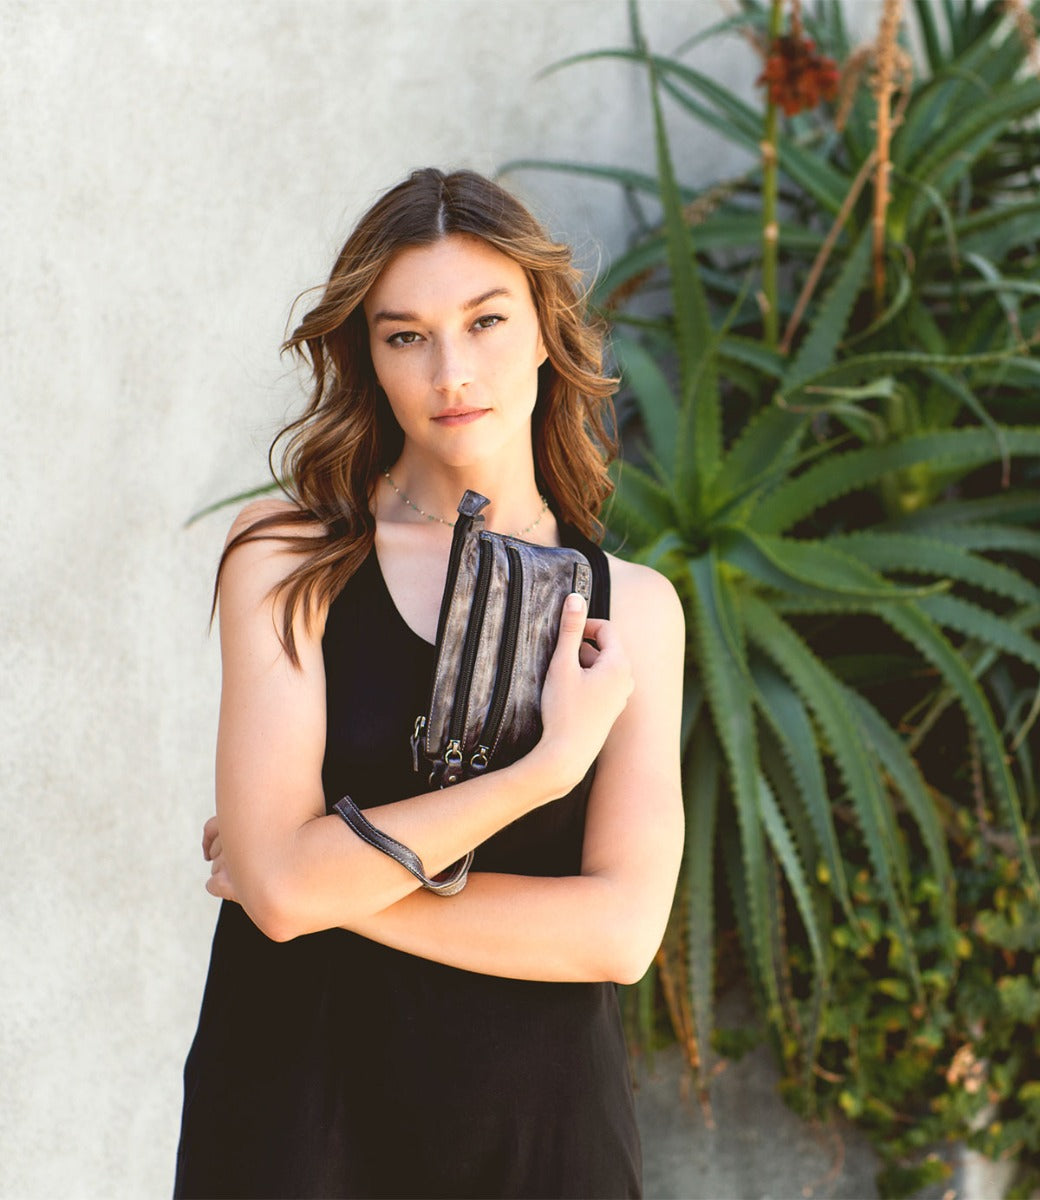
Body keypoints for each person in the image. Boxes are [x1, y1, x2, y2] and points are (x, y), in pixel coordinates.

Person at [174, 167, 685, 1200]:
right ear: (367, 356)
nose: (451, 368)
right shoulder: (285, 556)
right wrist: (540, 775)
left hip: (537, 1141)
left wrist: (326, 887)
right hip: (295, 1118)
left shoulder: (632, 609)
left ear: (546, 328)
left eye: (486, 320)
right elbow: (275, 893)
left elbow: (619, 934)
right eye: (404, 334)